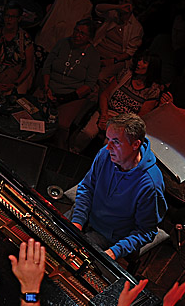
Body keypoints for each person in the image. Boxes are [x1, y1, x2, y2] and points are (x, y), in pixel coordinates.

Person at [70, 112, 168, 262]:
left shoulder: (150, 185)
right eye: (108, 139)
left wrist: (114, 252)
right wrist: (77, 221)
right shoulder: (106, 154)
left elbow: (145, 231)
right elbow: (87, 187)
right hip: (87, 215)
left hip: (109, 236)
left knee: (72, 261)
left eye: (115, 142)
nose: (108, 147)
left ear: (136, 144)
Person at [73, 51, 164, 153]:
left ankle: (101, 165)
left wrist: (115, 123)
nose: (139, 63)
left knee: (109, 144)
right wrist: (103, 115)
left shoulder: (153, 90)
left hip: (125, 122)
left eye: (144, 62)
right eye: (139, 60)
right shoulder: (126, 75)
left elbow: (140, 116)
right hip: (107, 111)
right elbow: (105, 95)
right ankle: (73, 152)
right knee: (87, 133)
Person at [40, 18, 101, 149]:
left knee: (61, 125)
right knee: (34, 113)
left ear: (89, 37)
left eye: (82, 33)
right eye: (76, 30)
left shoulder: (93, 56)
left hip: (72, 95)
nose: (77, 35)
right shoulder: (63, 43)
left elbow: (89, 84)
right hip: (50, 88)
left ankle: (58, 150)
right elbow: (47, 67)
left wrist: (65, 98)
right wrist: (46, 88)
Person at [92, 0, 144, 85]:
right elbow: (98, 8)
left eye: (126, 2)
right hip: (98, 50)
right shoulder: (112, 15)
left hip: (116, 59)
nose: (123, 4)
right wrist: (117, 7)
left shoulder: (136, 27)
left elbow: (129, 52)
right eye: (121, 1)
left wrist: (112, 61)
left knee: (101, 77)